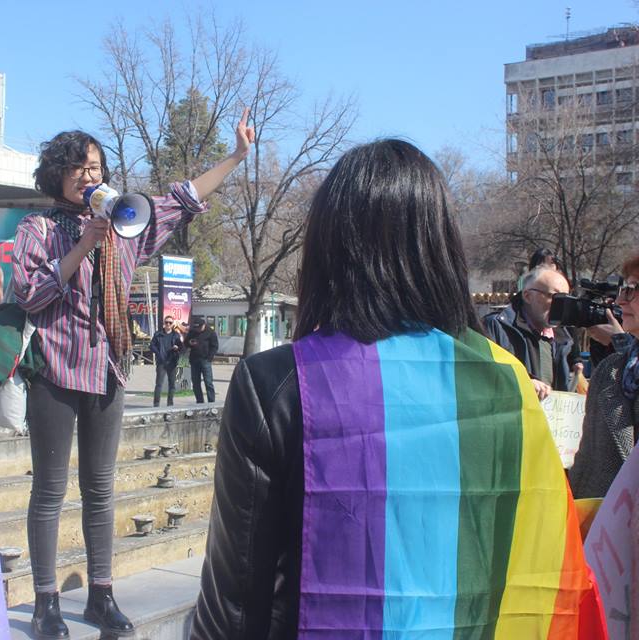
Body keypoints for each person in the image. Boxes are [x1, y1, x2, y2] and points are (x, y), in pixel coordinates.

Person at [191, 139, 605, 639]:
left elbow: (234, 605)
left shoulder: (276, 384)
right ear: (442, 249)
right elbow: (543, 565)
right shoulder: (508, 381)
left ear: (327, 251)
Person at [13, 109, 254, 639]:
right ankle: (45, 602)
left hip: (108, 372)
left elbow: (185, 196)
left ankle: (102, 594)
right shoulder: (37, 229)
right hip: (54, 372)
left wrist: (236, 156)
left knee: (101, 489)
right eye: (77, 168)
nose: (88, 176)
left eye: (95, 166)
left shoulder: (126, 227)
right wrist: (82, 244)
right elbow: (29, 295)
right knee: (49, 490)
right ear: (57, 175)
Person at [569, 254, 639, 498]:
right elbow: (587, 461)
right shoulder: (611, 370)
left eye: (631, 290)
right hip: (604, 523)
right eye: (622, 290)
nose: (620, 300)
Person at [482, 267, 581, 399]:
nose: (561, 306)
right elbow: (482, 376)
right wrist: (522, 384)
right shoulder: (495, 327)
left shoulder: (564, 337)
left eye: (566, 300)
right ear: (528, 296)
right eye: (555, 297)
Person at [150, 315, 183, 407]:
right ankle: (156, 404)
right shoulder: (158, 334)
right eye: (166, 322)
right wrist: (158, 353)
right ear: (164, 323)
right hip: (161, 362)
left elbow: (181, 347)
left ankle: (170, 403)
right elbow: (152, 346)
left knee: (172, 384)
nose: (168, 324)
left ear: (173, 324)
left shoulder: (176, 335)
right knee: (159, 384)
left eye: (170, 322)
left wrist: (177, 348)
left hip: (172, 362)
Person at [186, 316, 218, 403]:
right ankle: (199, 402)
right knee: (196, 383)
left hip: (205, 360)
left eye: (200, 327)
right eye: (196, 328)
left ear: (204, 325)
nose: (198, 329)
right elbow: (186, 343)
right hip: (194, 360)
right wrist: (189, 343)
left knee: (208, 382)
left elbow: (214, 346)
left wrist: (209, 358)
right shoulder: (192, 332)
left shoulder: (210, 332)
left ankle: (211, 402)